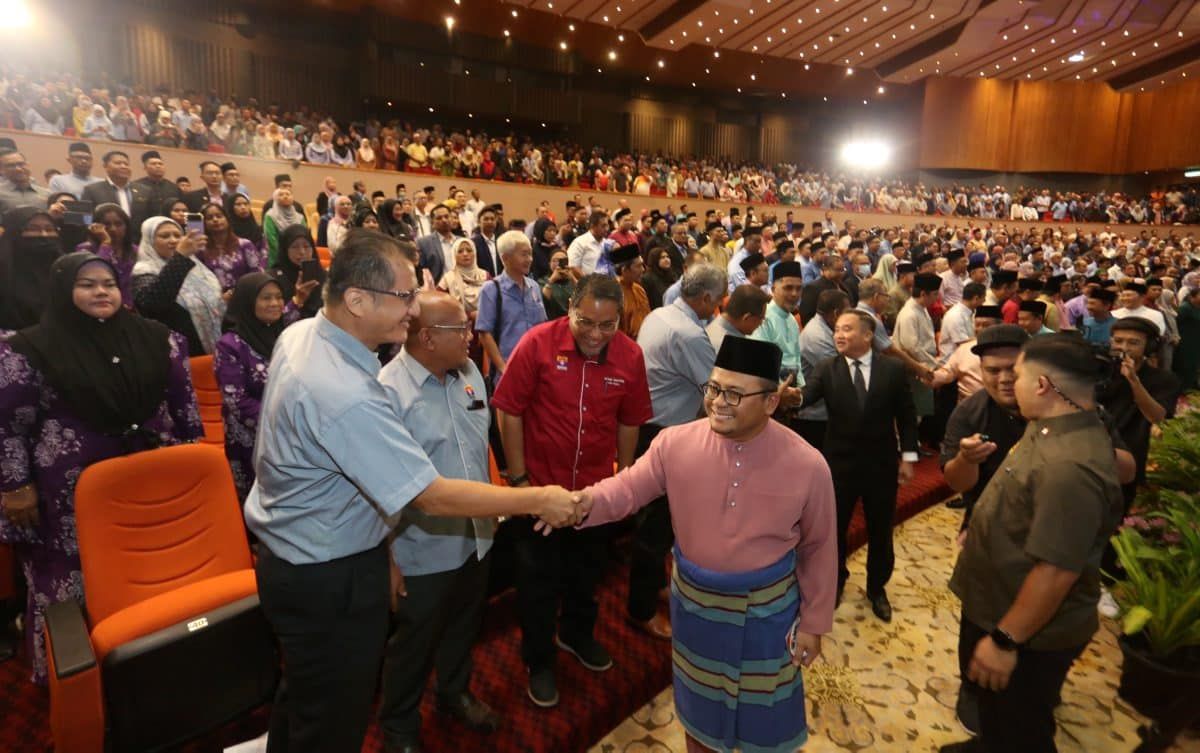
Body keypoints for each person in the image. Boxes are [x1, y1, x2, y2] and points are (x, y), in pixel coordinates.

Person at [244, 232, 587, 753]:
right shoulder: (345, 391)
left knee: (308, 698)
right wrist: (536, 498)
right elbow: (428, 496)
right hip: (328, 573)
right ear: (357, 300)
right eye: (406, 296)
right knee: (334, 719)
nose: (413, 309)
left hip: (306, 557)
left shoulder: (306, 335)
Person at [577, 335, 837, 753]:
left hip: (767, 615)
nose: (718, 402)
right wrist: (575, 505)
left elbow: (819, 547)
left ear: (771, 403)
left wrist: (814, 624)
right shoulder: (673, 443)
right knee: (700, 720)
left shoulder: (808, 464)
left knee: (765, 724)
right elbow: (625, 491)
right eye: (714, 388)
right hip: (697, 609)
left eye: (734, 393)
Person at [0, 252, 203, 683]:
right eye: (86, 284)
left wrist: (193, 471)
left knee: (150, 570)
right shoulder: (26, 349)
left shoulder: (158, 337)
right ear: (61, 291)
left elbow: (185, 412)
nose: (100, 292)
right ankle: (73, 680)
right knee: (70, 581)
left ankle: (153, 665)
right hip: (67, 495)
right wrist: (15, 485)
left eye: (108, 284)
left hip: (150, 478)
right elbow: (8, 425)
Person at [940, 335, 1124, 753]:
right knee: (997, 714)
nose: (1009, 383)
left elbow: (1057, 569)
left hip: (1026, 627)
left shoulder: (1070, 465)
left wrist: (1006, 640)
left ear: (1042, 384)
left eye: (1018, 374)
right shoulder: (1051, 426)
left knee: (1022, 729)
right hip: (996, 596)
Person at [492, 274, 652, 708]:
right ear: (570, 311)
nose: (597, 335)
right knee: (538, 583)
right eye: (587, 322)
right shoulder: (537, 343)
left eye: (608, 325)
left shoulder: (631, 356)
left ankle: (576, 634)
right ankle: (539, 661)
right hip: (541, 494)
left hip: (594, 496)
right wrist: (521, 481)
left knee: (587, 574)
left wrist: (625, 481)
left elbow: (630, 420)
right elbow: (510, 411)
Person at [376, 294, 502, 750]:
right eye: (461, 330)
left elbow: (476, 452)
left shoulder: (470, 375)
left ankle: (454, 693)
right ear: (427, 337)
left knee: (464, 626)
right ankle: (399, 727)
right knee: (414, 644)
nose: (471, 338)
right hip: (420, 548)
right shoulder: (388, 392)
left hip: (476, 537)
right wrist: (388, 558)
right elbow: (377, 487)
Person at [626, 263, 727, 643]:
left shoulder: (659, 314)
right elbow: (715, 391)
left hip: (648, 428)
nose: (716, 309)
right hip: (667, 432)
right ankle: (640, 609)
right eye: (715, 302)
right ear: (704, 298)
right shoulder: (689, 334)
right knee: (656, 526)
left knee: (659, 521)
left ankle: (652, 588)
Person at [799, 310, 918, 621]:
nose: (839, 334)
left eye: (847, 329)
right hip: (839, 467)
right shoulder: (827, 368)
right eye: (837, 329)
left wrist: (908, 456)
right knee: (834, 530)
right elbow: (805, 397)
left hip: (881, 466)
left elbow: (906, 415)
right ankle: (835, 582)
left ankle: (877, 588)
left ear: (867, 335)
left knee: (881, 530)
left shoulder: (892, 369)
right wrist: (785, 398)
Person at [214, 272, 307, 500]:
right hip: (253, 435)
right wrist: (283, 422)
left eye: (278, 297)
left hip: (293, 429)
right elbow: (236, 401)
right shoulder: (230, 346)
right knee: (259, 496)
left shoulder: (285, 333)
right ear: (248, 301)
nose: (275, 304)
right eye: (266, 298)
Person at [132, 216, 226, 356]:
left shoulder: (196, 267)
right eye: (164, 236)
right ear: (150, 241)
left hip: (212, 346)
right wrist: (180, 256)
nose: (173, 240)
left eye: (177, 235)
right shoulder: (144, 271)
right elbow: (155, 303)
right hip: (176, 350)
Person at [793, 289, 851, 452]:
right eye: (847, 312)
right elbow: (841, 371)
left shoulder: (826, 328)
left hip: (826, 410)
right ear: (835, 313)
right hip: (814, 415)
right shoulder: (816, 336)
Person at [752, 261, 807, 428]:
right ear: (773, 288)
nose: (794, 293)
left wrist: (799, 391)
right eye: (788, 288)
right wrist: (781, 391)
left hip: (790, 394)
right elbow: (761, 364)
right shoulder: (763, 318)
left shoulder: (791, 319)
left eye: (798, 288)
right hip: (770, 393)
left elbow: (796, 359)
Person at [895, 272, 942, 443]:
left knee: (919, 411)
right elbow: (911, 346)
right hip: (915, 367)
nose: (937, 298)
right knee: (913, 411)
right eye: (935, 294)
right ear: (923, 294)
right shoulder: (909, 313)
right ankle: (906, 445)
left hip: (924, 363)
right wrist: (932, 364)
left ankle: (913, 442)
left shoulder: (920, 309)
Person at [0, 208, 65, 332]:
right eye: (33, 229)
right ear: (14, 232)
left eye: (50, 229)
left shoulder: (65, 267)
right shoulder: (3, 272)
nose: (44, 235)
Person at [200, 202, 266, 292]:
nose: (215, 220)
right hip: (214, 299)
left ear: (227, 219)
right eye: (209, 218)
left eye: (219, 216)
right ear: (204, 223)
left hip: (243, 294)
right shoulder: (201, 250)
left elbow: (256, 274)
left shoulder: (245, 245)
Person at [269, 224, 324, 320]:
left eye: (307, 246)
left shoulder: (323, 275)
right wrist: (297, 300)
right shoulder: (273, 279)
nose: (302, 252)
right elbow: (274, 321)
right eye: (295, 247)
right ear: (285, 250)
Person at [707, 284, 770, 353]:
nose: (761, 324)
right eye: (761, 319)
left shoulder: (717, 324)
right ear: (746, 317)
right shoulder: (728, 348)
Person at [439, 237, 490, 321]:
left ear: (475, 253)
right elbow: (442, 308)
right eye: (460, 251)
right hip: (461, 327)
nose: (465, 254)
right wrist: (469, 315)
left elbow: (495, 301)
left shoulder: (485, 276)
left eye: (469, 250)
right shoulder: (448, 279)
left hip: (487, 323)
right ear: (454, 255)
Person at [613, 243, 650, 338]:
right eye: (638, 266)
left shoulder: (639, 289)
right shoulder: (613, 294)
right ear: (624, 270)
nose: (643, 270)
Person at [264, 188, 308, 267]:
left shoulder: (299, 217)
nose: (285, 197)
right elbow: (271, 240)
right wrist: (287, 255)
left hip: (299, 256)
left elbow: (305, 237)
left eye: (288, 194)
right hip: (278, 258)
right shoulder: (270, 216)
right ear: (275, 198)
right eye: (281, 195)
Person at [539, 248, 578, 320]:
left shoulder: (572, 281)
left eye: (562, 261)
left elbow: (584, 295)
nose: (558, 264)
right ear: (549, 263)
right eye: (554, 261)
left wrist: (572, 278)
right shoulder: (542, 281)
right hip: (552, 320)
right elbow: (543, 301)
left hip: (571, 320)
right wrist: (552, 280)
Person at [1174, 286, 1200, 390]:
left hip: (1195, 340)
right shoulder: (1185, 308)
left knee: (1194, 363)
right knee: (1185, 364)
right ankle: (1182, 388)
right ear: (1192, 297)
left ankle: (1191, 385)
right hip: (1186, 340)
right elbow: (1176, 323)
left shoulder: (1197, 307)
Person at [641, 245, 679, 310]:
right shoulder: (647, 279)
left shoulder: (673, 274)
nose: (666, 259)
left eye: (667, 257)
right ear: (655, 259)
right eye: (662, 257)